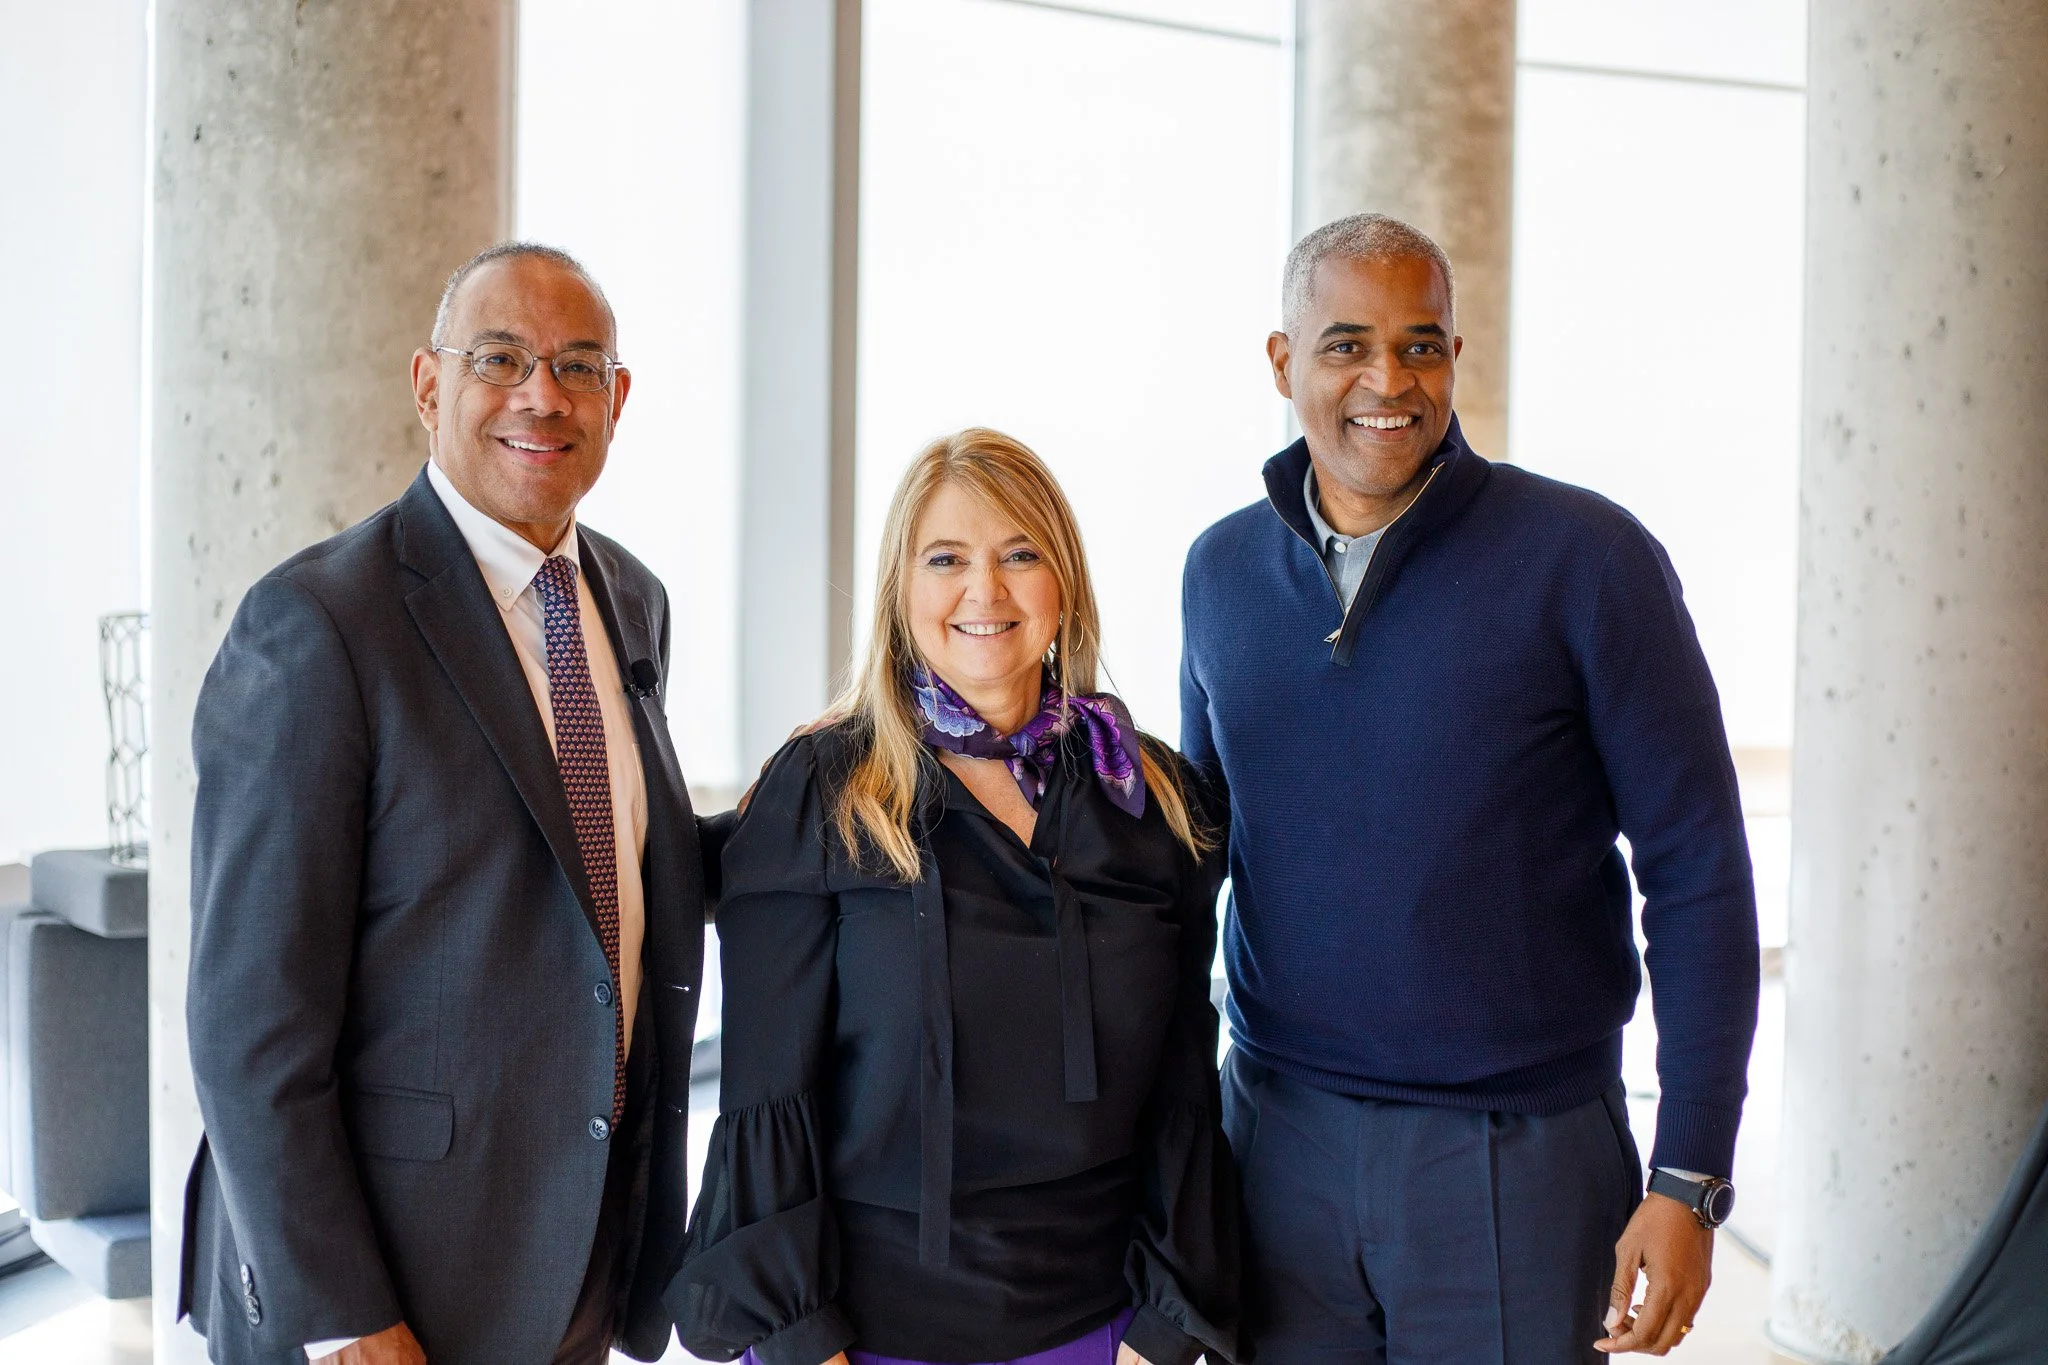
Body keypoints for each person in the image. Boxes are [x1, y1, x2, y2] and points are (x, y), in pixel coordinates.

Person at [1179, 214, 1761, 1361]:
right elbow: (1190, 867)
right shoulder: (1219, 570)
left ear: (1454, 353)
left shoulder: (1587, 559)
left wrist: (1689, 1175)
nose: (1386, 381)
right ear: (1282, 362)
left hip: (1517, 1152)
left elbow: (1696, 869)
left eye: (1420, 345)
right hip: (1274, 1143)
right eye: (1344, 345)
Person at [180, 242, 726, 1365]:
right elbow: (249, 1022)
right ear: (430, 385)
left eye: (578, 366)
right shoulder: (318, 625)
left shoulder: (631, 598)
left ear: (617, 400)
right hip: (386, 1284)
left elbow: (599, 866)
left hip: (570, 1254)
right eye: (500, 358)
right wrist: (342, 1315)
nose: (542, 395)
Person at [670, 429, 1239, 1365]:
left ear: (1065, 583)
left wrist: (1163, 1331)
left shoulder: (1149, 798)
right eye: (946, 559)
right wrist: (807, 1346)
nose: (986, 590)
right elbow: (766, 1094)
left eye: (1020, 554)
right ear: (901, 591)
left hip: (1103, 1332)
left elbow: (1184, 1086)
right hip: (872, 1338)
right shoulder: (823, 791)